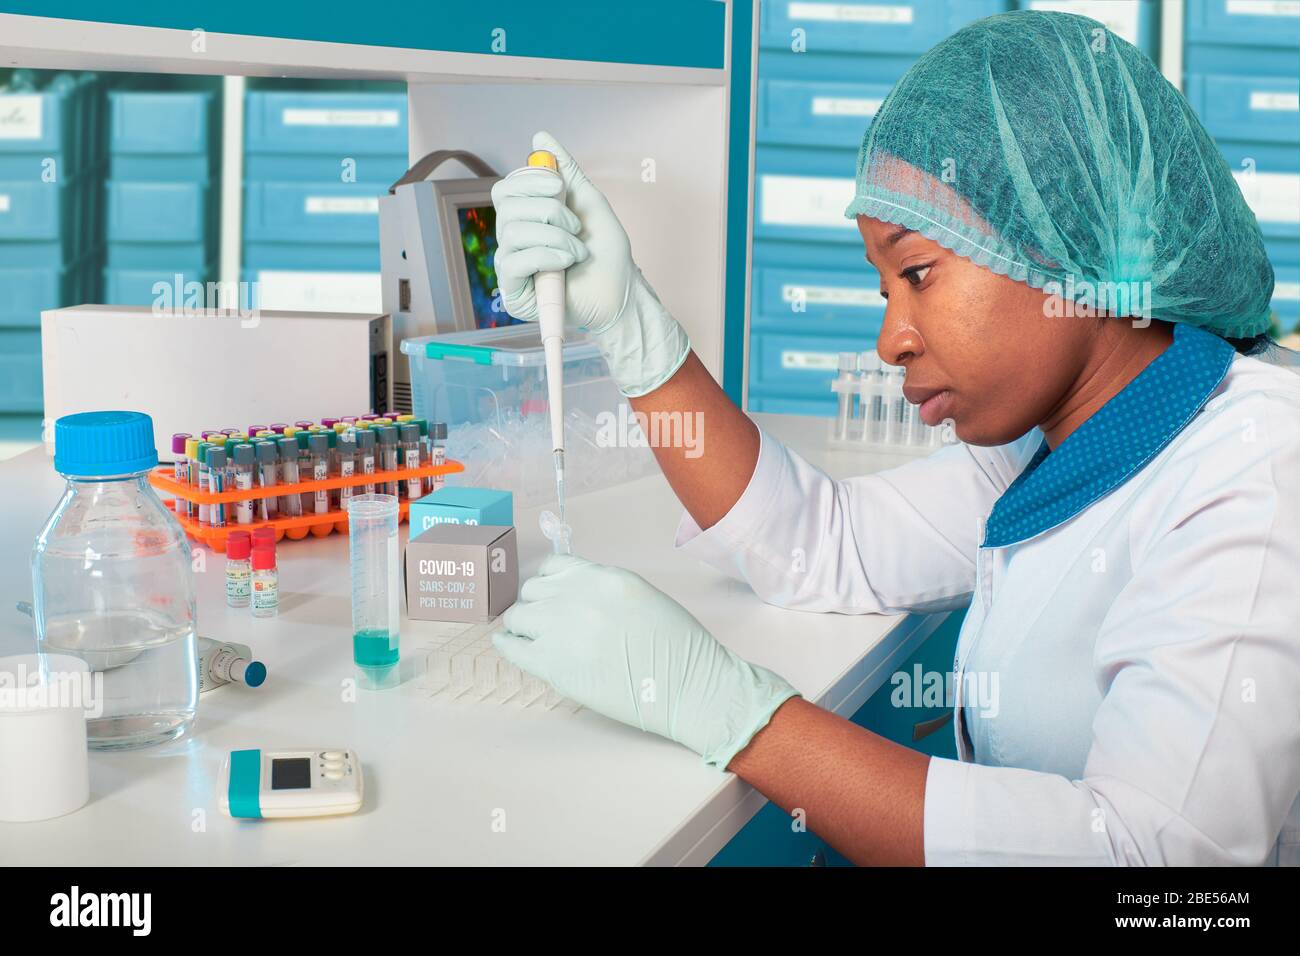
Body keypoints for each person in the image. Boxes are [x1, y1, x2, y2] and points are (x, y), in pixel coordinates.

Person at [488, 10, 1300, 865]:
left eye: (917, 272)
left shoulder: (1254, 470)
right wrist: (631, 329)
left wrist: (733, 715)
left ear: (1068, 239)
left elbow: (1161, 870)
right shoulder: (1060, 442)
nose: (891, 340)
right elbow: (823, 543)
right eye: (885, 291)